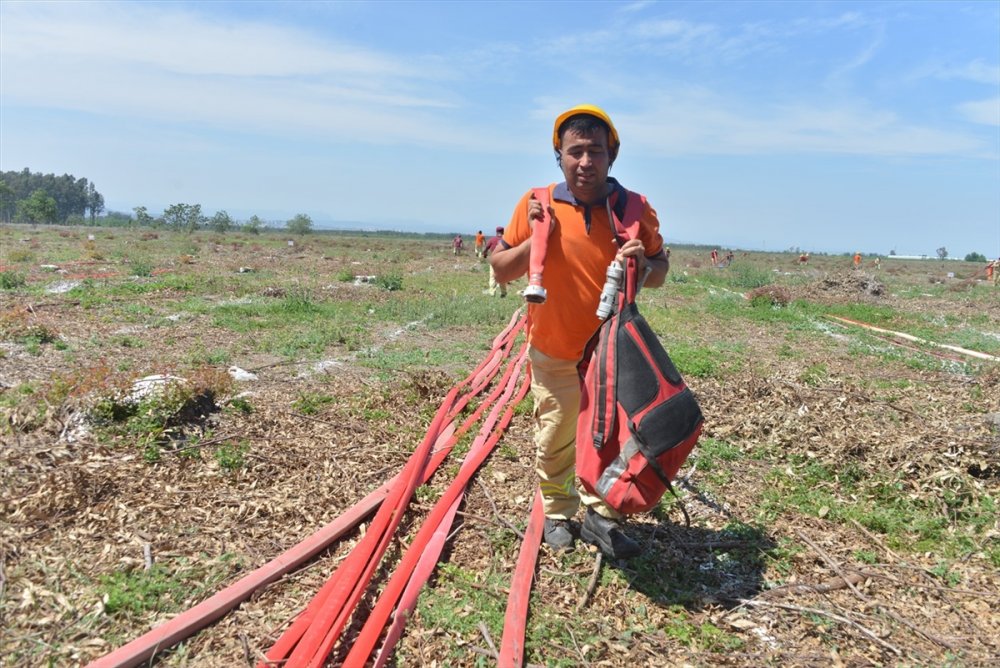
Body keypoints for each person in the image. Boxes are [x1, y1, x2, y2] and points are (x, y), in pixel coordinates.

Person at [489, 104, 669, 560]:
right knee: (555, 433)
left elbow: (661, 269)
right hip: (553, 347)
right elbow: (501, 266)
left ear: (612, 157)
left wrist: (644, 265)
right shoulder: (537, 202)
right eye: (575, 152)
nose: (585, 162)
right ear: (559, 156)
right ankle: (556, 510)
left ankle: (596, 514)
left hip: (612, 352)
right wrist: (538, 237)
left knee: (606, 437)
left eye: (595, 152)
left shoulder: (634, 208)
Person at [482, 226, 508, 297]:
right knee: (502, 277)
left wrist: (484, 254)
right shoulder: (506, 240)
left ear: (496, 232)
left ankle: (492, 292)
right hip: (503, 261)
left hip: (494, 261)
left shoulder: (492, 240)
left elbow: (486, 249)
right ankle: (503, 293)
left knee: (492, 276)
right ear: (503, 232)